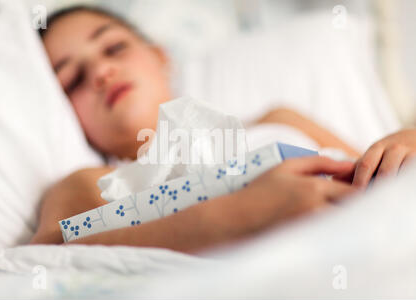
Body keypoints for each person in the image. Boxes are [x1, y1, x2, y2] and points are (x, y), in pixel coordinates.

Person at [30, 5, 416, 253]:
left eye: (114, 48)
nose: (101, 71)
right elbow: (51, 252)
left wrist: (405, 143)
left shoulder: (280, 120)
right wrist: (239, 215)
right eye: (73, 79)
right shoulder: (86, 183)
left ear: (160, 56)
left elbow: (372, 165)